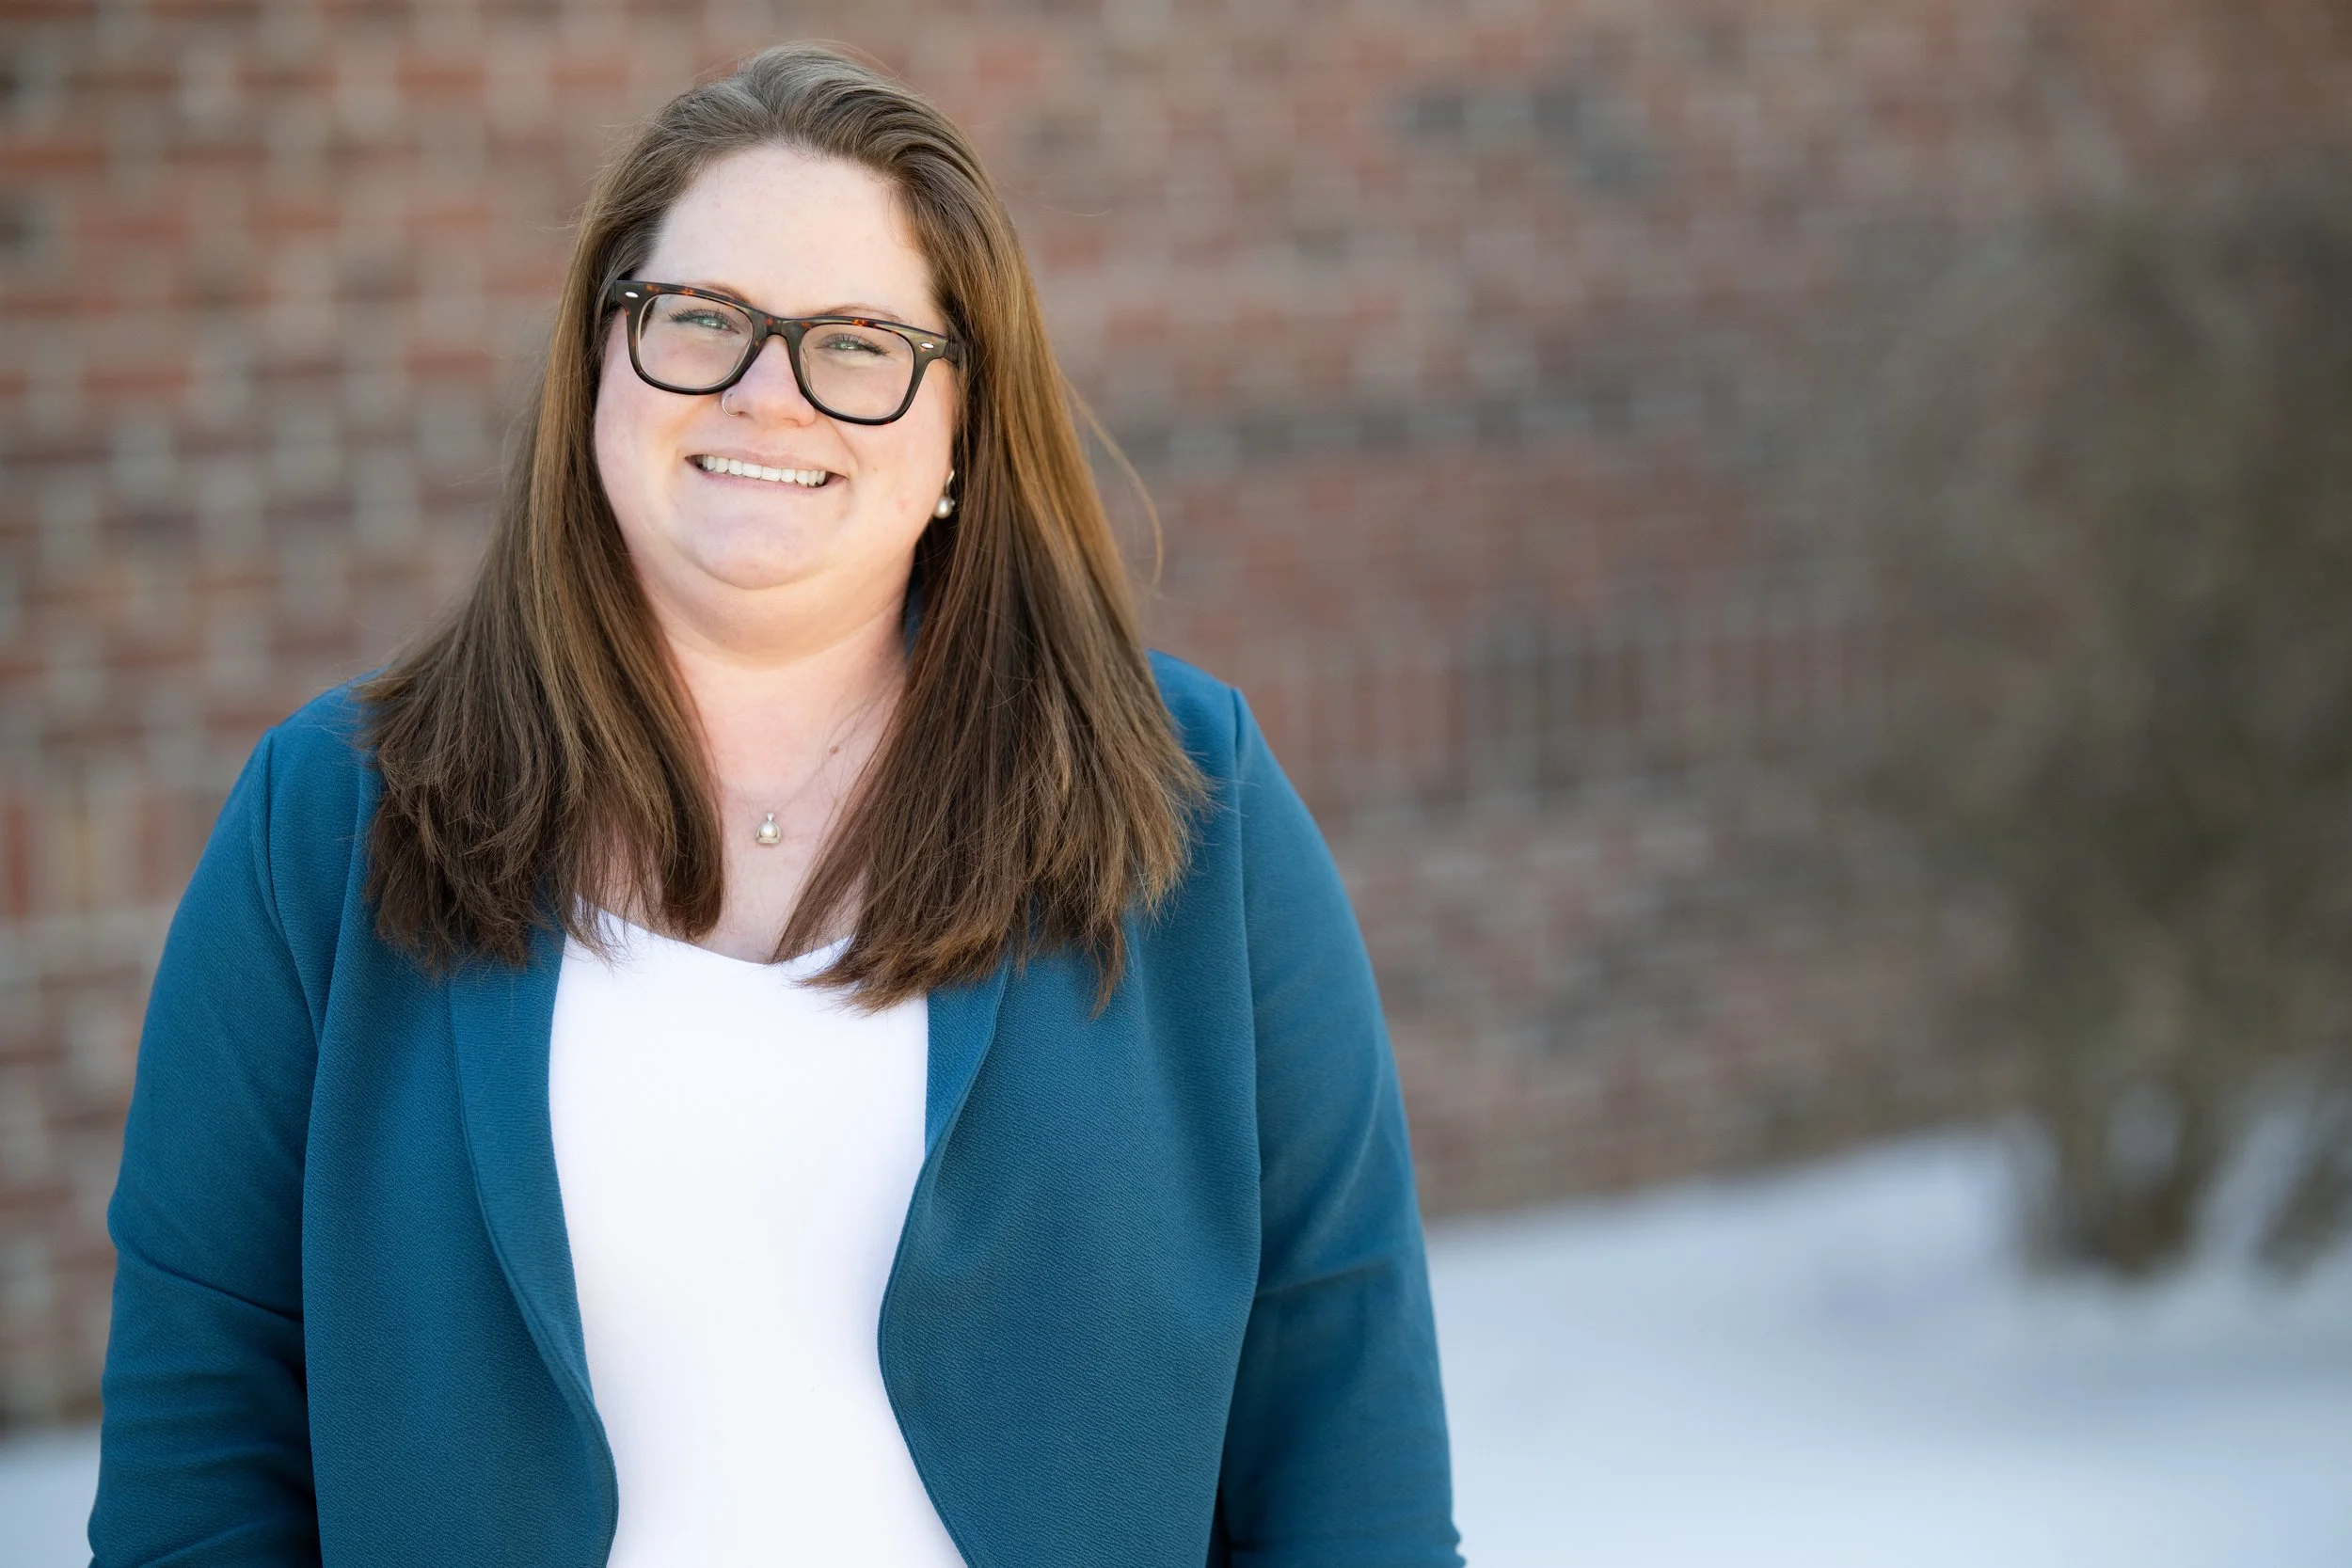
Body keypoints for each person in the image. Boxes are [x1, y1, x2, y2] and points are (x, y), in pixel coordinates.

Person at [89, 41, 1460, 1568]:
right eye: (702, 320)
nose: (765, 395)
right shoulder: (327, 826)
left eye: (859, 345)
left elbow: (1350, 1433)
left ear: (959, 434)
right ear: (600, 364)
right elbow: (197, 1455)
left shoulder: (1194, 805)